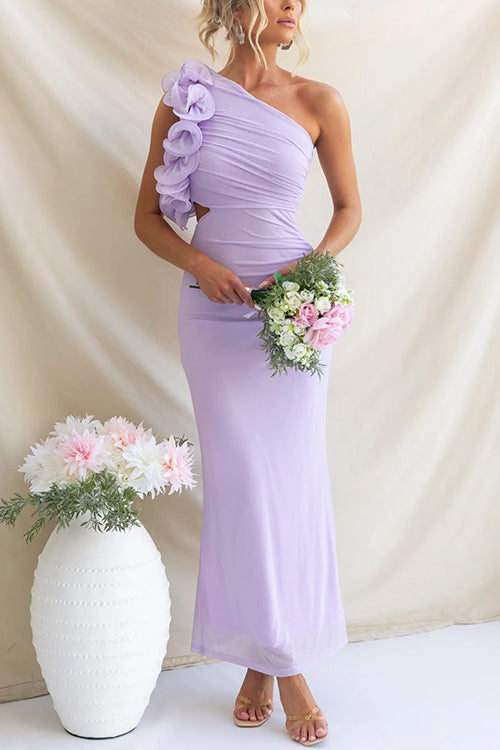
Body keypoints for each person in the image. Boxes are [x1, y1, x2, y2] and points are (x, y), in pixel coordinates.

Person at [134, 0, 362, 745]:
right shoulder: (186, 97)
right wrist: (201, 264)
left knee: (288, 485)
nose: (294, 5)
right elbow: (147, 217)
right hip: (213, 318)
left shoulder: (320, 101)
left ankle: (268, 665)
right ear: (236, 6)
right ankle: (285, 666)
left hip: (292, 315)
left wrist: (309, 271)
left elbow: (349, 210)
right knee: (241, 487)